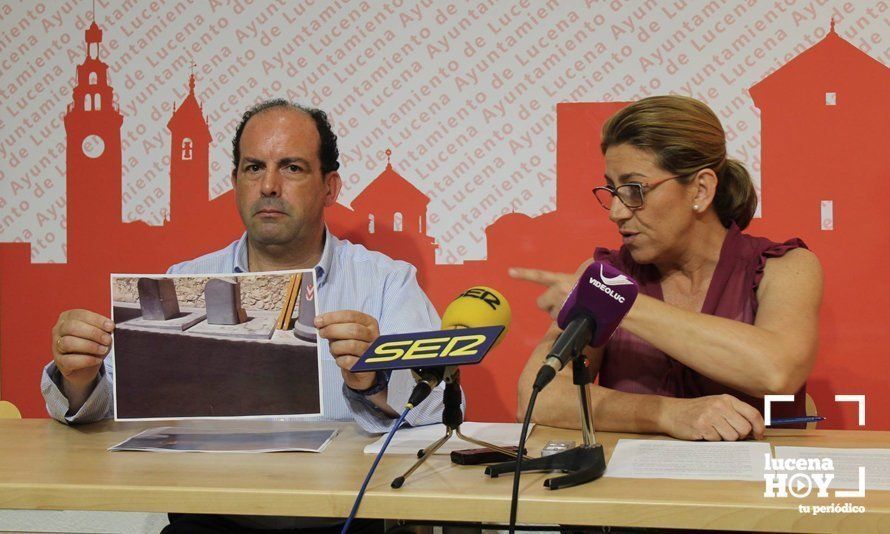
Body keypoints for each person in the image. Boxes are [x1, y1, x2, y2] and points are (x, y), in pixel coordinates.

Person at [42, 99, 445, 532]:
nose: (269, 185)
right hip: (210, 523)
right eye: (254, 168)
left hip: (346, 522)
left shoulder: (387, 284)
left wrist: (373, 381)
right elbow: (107, 406)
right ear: (235, 181)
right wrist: (80, 379)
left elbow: (438, 406)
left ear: (330, 187)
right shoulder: (184, 280)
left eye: (291, 167)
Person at [513, 95, 823, 442]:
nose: (616, 211)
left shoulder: (785, 267)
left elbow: (777, 369)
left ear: (701, 190)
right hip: (638, 491)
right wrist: (665, 413)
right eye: (613, 190)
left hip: (760, 489)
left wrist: (619, 302)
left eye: (634, 189)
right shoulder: (606, 272)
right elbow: (537, 396)